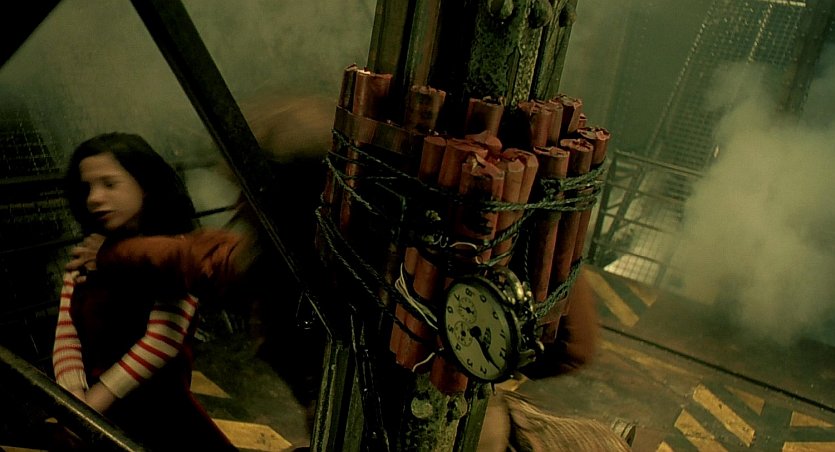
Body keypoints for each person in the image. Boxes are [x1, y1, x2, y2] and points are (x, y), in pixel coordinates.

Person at [52, 132, 250, 450]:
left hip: (159, 416)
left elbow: (161, 341)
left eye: (109, 184)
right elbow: (67, 331)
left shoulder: (171, 253)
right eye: (87, 187)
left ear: (145, 184)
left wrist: (90, 407)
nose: (94, 198)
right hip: (93, 408)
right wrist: (72, 397)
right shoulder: (90, 251)